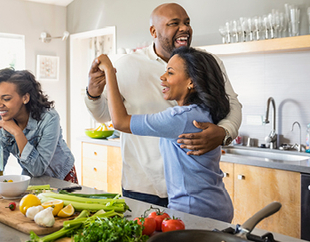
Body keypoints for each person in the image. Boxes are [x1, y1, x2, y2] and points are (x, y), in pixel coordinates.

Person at [85, 3, 242, 206]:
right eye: (174, 23)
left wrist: (224, 132)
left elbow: (232, 106)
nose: (184, 28)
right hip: (143, 186)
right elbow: (105, 115)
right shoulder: (126, 66)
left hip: (191, 190)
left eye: (187, 22)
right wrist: (93, 93)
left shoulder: (207, 63)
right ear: (154, 31)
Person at [97, 46, 233, 222]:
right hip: (217, 206)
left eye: (170, 73)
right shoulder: (205, 111)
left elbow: (120, 122)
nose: (162, 78)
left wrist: (109, 71)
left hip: (192, 212)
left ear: (191, 82)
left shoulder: (180, 118)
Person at [0, 68, 77, 183]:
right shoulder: (3, 118)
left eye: (6, 99)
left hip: (61, 177)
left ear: (25, 98)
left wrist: (17, 132)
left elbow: (38, 169)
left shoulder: (49, 118)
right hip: (33, 179)